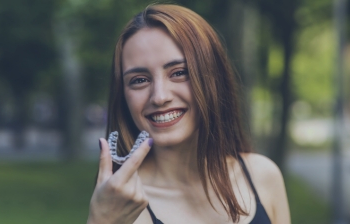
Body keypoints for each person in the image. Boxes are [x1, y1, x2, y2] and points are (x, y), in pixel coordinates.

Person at [86, 4, 290, 224]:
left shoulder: (263, 176)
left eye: (179, 72)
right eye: (140, 80)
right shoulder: (125, 206)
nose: (160, 96)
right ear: (122, 97)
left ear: (213, 78)